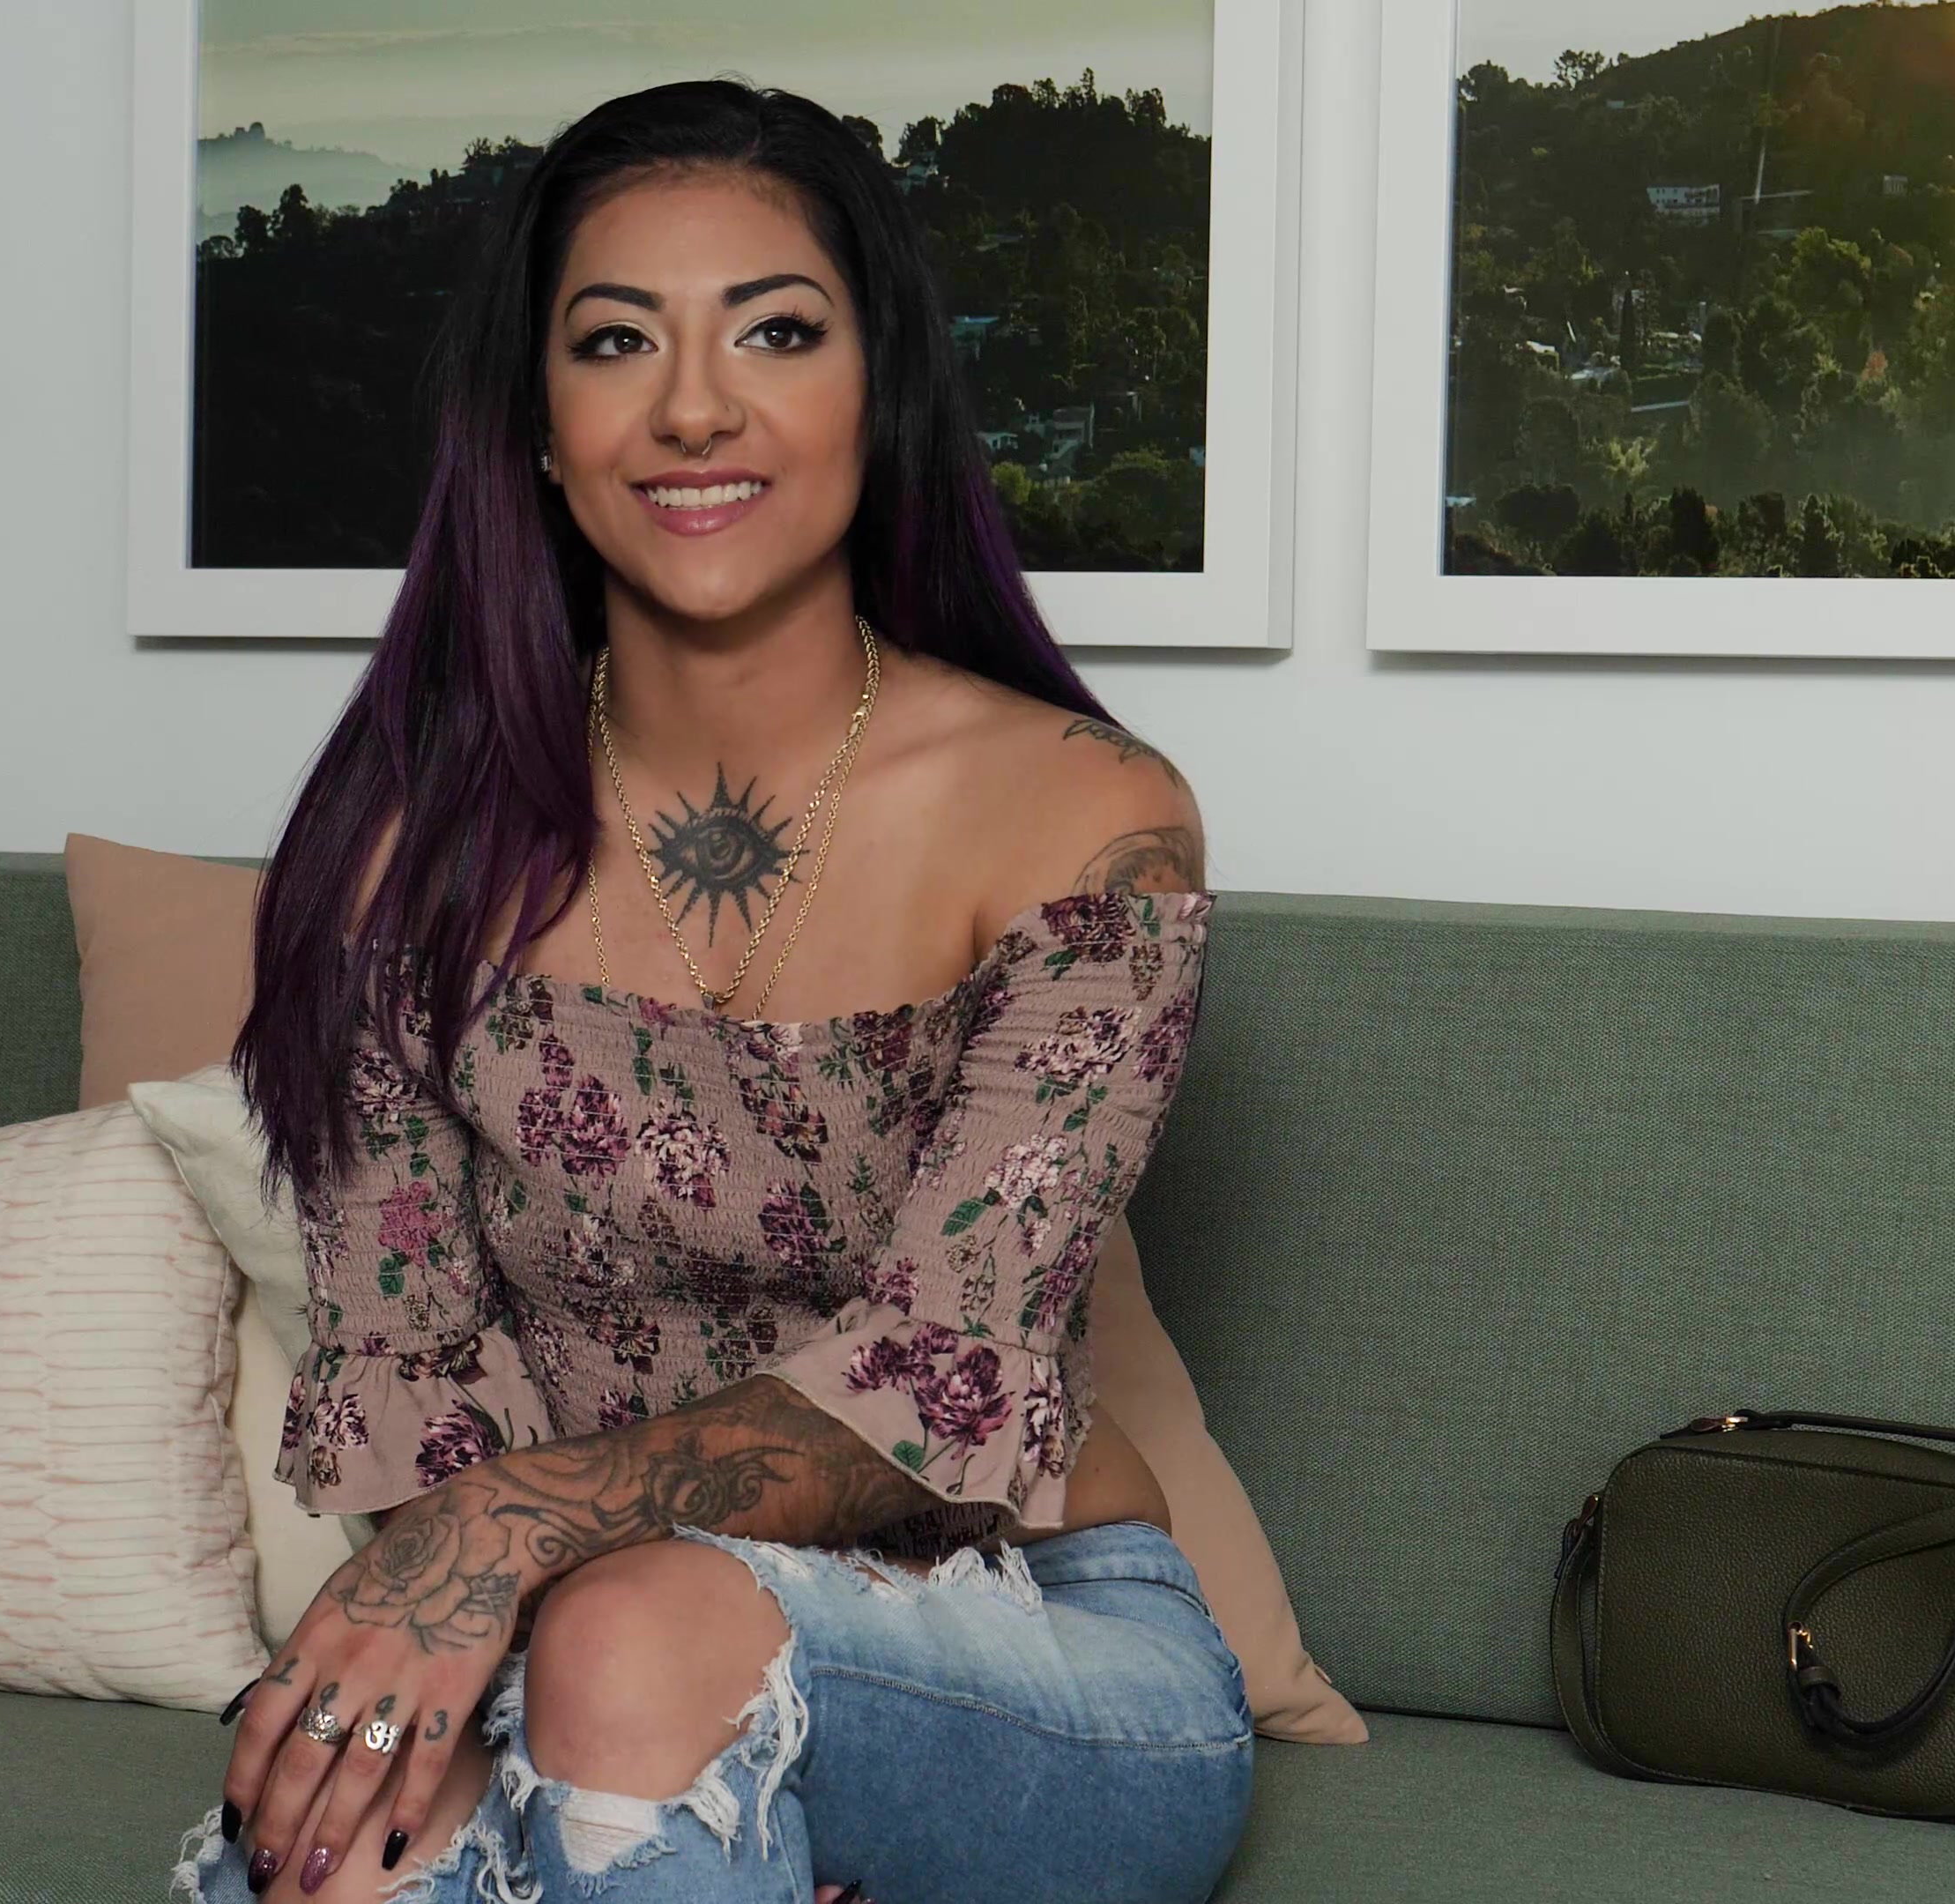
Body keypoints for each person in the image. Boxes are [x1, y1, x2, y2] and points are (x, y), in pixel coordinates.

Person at [176, 76, 1248, 1904]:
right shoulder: (399, 851)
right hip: (575, 1644)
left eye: (775, 330)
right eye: (616, 342)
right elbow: (412, 1382)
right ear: (537, 425)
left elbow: (934, 1375)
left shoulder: (1087, 820)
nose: (692, 408)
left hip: (1040, 1653)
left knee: (635, 1648)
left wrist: (531, 1544)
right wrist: (528, 1689)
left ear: (878, 387)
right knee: (322, 1859)